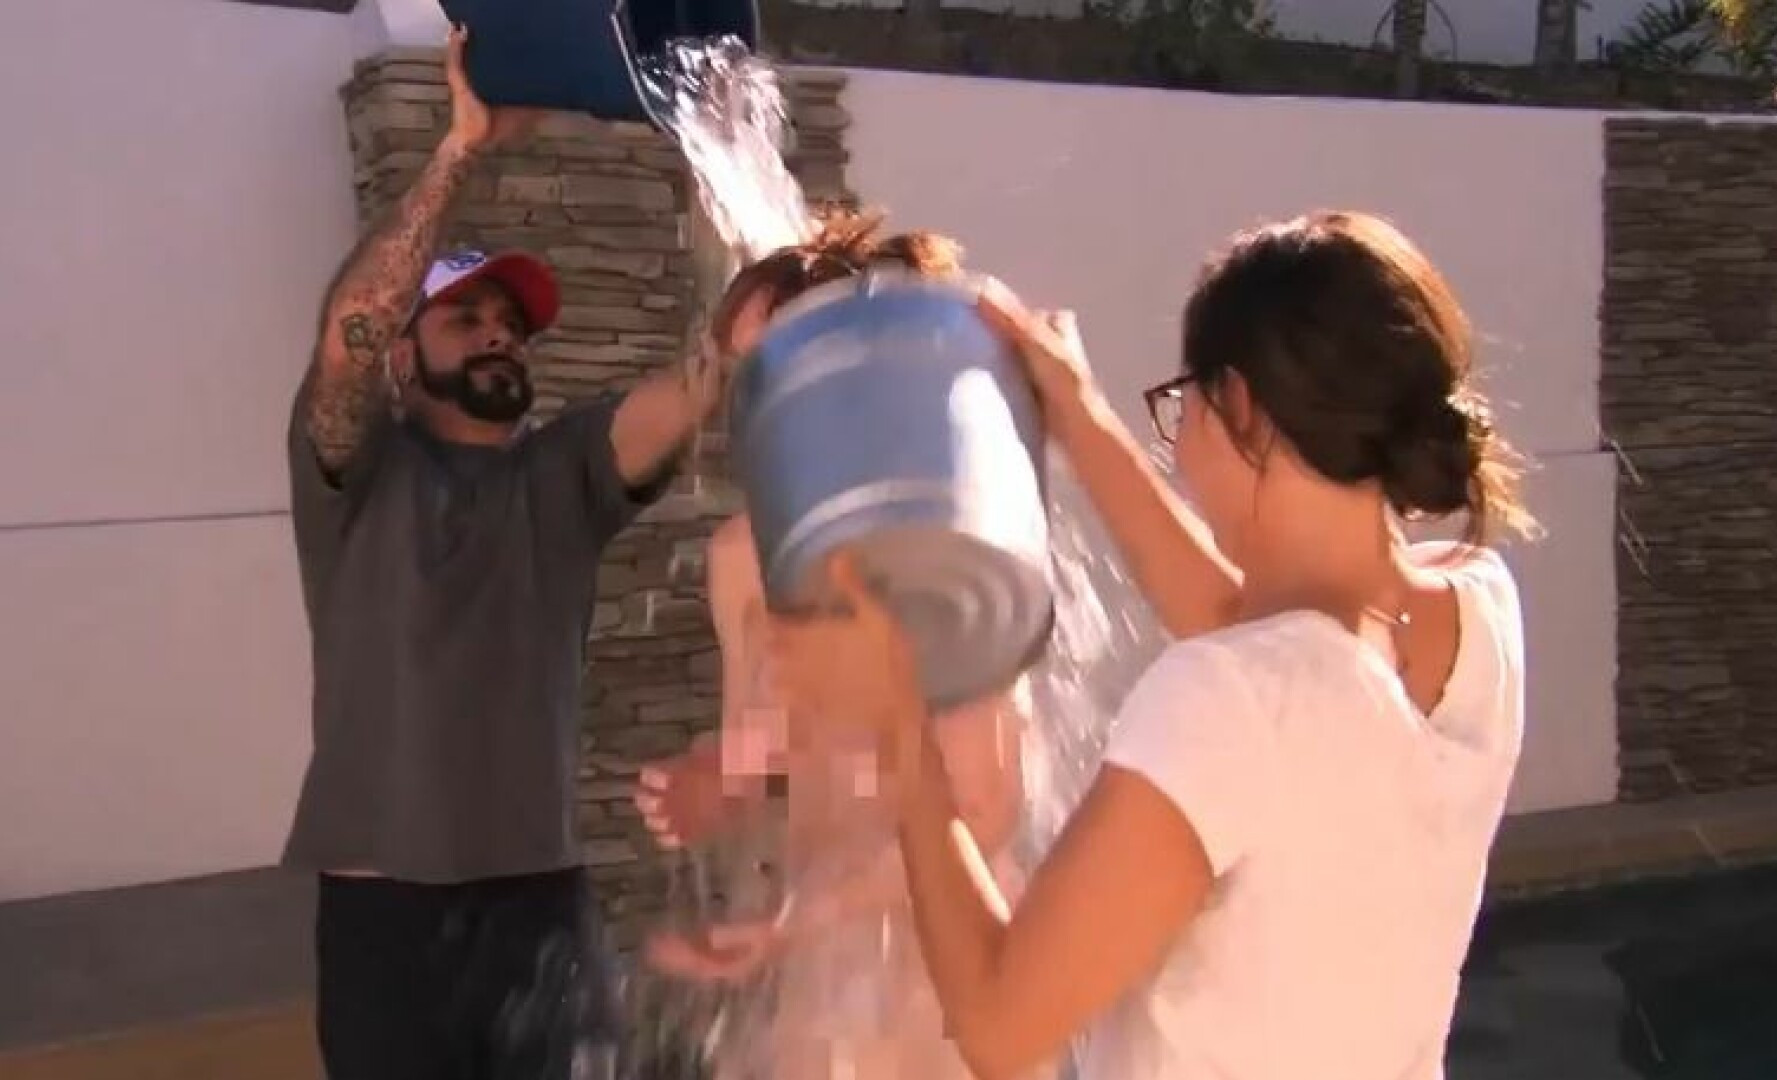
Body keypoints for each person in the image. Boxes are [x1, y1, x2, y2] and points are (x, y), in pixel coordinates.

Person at [769, 211, 1536, 1080]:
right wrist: (1081, 413)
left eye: (1185, 405)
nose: (1181, 436)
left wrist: (901, 726)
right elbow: (1263, 640)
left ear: (1240, 405)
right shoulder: (1477, 612)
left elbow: (998, 1025)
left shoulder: (1228, 695)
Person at [282, 26, 731, 1080]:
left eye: (510, 323)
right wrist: (460, 150)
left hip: (543, 910)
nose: (497, 334)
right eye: (466, 318)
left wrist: (749, 304)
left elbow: (689, 389)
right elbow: (353, 320)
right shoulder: (353, 472)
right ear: (403, 357)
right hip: (384, 923)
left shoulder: (562, 475)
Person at [633, 217, 1030, 1080]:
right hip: (822, 974)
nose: (760, 405)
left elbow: (990, 804)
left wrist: (803, 919)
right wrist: (718, 779)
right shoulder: (741, 556)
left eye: (782, 369)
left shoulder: (943, 544)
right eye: (747, 379)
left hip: (947, 975)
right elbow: (763, 738)